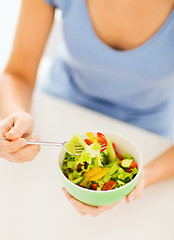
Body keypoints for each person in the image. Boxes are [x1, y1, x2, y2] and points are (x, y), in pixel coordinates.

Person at [0, 0, 174, 217]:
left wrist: (144, 176)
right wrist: (15, 114)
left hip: (149, 134)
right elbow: (17, 74)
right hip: (59, 108)